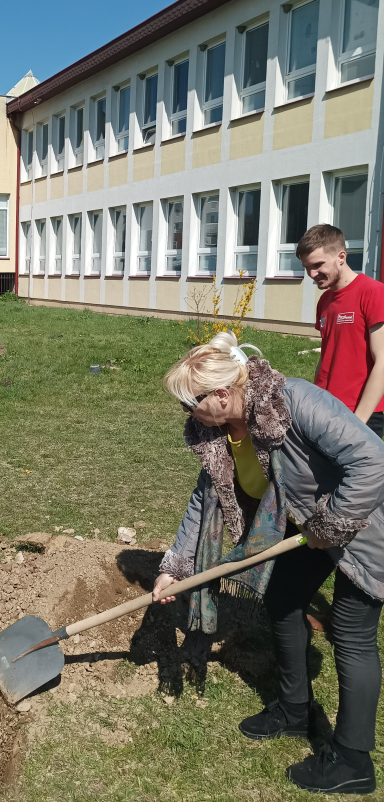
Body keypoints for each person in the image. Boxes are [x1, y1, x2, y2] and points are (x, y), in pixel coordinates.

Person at [153, 331, 384, 796]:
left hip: (366, 521)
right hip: (308, 528)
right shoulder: (218, 433)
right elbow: (205, 501)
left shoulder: (293, 400)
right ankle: (295, 711)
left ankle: (353, 759)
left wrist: (334, 523)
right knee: (282, 601)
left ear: (221, 393)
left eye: (190, 402)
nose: (187, 414)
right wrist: (174, 567)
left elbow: (373, 460)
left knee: (352, 633)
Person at [297, 224, 384, 437]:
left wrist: (359, 422)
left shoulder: (373, 293)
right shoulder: (325, 301)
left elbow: (382, 359)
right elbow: (327, 356)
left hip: (362, 412)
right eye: (307, 267)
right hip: (327, 405)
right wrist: (315, 398)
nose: (312, 274)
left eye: (318, 265)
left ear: (341, 257)